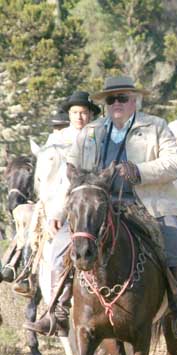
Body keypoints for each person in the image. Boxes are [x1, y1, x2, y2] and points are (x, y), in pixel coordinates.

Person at [25, 76, 177, 337]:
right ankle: (57, 313)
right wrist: (60, 212)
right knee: (60, 247)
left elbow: (175, 163)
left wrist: (140, 171)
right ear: (105, 103)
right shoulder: (90, 132)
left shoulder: (156, 126)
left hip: (148, 205)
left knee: (175, 246)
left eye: (122, 98)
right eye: (111, 99)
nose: (116, 103)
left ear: (135, 100)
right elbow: (70, 176)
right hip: (97, 208)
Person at [7, 92, 100, 296]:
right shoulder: (57, 138)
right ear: (69, 114)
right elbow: (47, 175)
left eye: (83, 113)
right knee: (33, 230)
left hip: (87, 198)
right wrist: (49, 203)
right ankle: (24, 269)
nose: (79, 117)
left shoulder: (97, 136)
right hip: (56, 198)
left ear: (91, 115)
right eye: (75, 112)